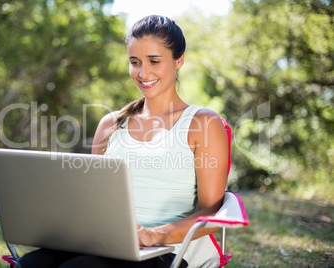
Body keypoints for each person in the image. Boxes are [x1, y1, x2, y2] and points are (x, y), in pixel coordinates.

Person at [16, 15, 229, 268]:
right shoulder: (111, 124)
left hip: (161, 252)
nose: (142, 72)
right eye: (134, 62)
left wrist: (154, 235)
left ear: (179, 60)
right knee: (30, 265)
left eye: (154, 61)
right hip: (100, 242)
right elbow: (91, 198)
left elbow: (212, 214)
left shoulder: (202, 123)